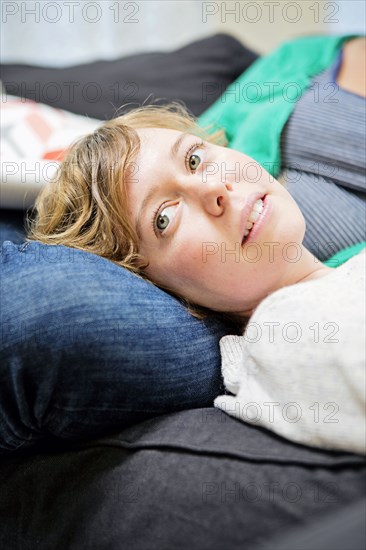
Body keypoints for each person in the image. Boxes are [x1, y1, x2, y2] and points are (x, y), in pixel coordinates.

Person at [23, 36, 365, 453]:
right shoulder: (286, 336)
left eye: (194, 159)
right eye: (164, 218)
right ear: (162, 290)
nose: (214, 190)